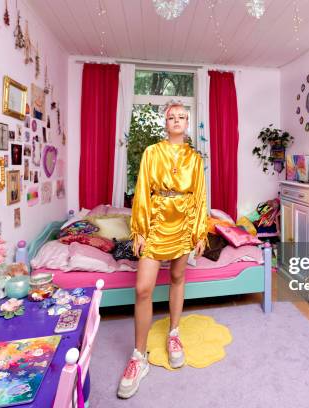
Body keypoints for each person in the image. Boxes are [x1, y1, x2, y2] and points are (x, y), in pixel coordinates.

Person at [117, 101, 208, 399]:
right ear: (165, 121)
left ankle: (173, 334)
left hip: (183, 221)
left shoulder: (195, 158)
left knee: (177, 279)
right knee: (143, 288)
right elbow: (142, 189)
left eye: (183, 117)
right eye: (173, 117)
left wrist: (199, 232)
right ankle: (138, 357)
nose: (178, 120)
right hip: (156, 220)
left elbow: (200, 197)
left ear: (187, 122)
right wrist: (139, 230)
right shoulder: (151, 153)